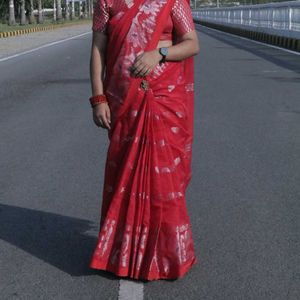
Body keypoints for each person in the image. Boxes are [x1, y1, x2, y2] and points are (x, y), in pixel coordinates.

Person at [88, 0, 200, 281]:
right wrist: (98, 98)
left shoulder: (172, 1)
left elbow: (191, 43)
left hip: (162, 99)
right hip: (123, 100)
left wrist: (158, 54)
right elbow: (98, 49)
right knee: (124, 173)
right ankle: (124, 253)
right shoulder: (106, 2)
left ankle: (167, 255)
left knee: (164, 180)